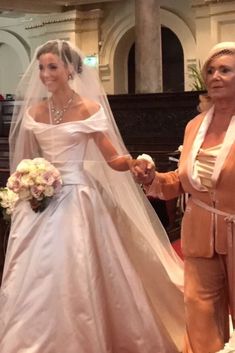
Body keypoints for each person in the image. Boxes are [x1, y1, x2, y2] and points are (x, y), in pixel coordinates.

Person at [0, 40, 185, 353]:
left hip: (79, 199)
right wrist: (26, 181)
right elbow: (28, 160)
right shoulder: (34, 112)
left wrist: (132, 163)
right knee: (36, 271)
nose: (45, 74)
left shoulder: (88, 109)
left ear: (71, 69)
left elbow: (112, 157)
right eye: (42, 67)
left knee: (78, 264)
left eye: (52, 67)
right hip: (40, 202)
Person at [133, 41, 235, 353]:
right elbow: (181, 180)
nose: (215, 76)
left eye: (225, 70)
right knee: (200, 312)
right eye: (211, 71)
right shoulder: (194, 126)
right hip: (199, 232)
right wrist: (152, 178)